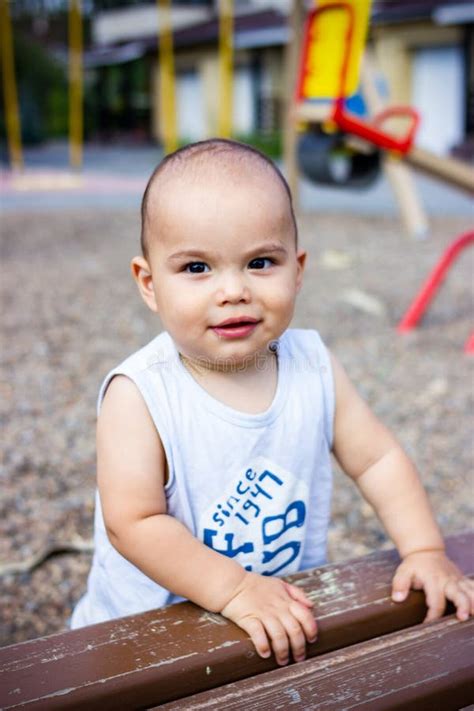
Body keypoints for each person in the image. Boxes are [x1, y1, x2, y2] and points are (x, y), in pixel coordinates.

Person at [71, 139, 473, 666]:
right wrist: (235, 589)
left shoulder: (312, 364)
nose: (234, 290)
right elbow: (135, 522)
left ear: (298, 270)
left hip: (276, 616)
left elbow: (377, 458)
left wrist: (423, 549)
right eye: (197, 268)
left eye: (260, 262)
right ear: (149, 283)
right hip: (144, 638)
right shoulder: (141, 393)